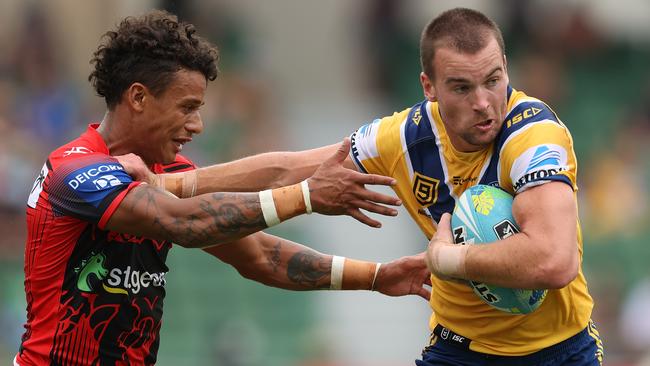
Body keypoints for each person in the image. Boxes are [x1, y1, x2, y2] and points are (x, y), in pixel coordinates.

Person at [136, 7, 603, 366]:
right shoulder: (402, 138)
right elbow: (288, 168)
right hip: (462, 349)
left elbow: (554, 259)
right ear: (429, 86)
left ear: (505, 68)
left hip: (559, 349)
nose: (484, 104)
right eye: (461, 87)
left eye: (494, 80)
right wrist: (171, 183)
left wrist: (448, 259)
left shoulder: (532, 134)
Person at [15, 10, 433, 366]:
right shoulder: (73, 171)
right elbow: (184, 222)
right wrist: (306, 197)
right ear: (139, 97)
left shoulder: (167, 171)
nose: (197, 125)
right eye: (188, 108)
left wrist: (377, 276)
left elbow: (263, 256)